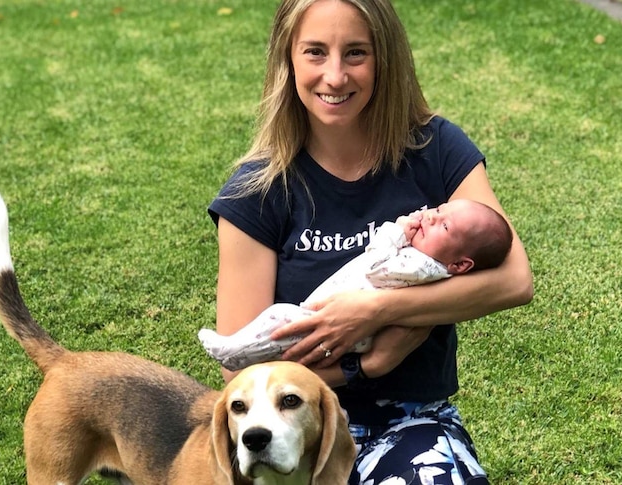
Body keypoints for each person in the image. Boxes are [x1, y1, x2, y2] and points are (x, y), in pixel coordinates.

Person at [207, 0, 533, 482]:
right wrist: (369, 365)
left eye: (356, 53)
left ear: (386, 59)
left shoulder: (435, 149)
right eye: (315, 52)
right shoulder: (255, 192)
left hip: (410, 419)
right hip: (295, 429)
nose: (335, 76)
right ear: (287, 59)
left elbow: (514, 280)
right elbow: (240, 375)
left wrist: (378, 312)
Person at [199, 199, 512, 371]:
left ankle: (236, 350)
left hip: (345, 327)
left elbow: (377, 268)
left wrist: (397, 232)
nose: (429, 218)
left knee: (279, 323)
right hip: (340, 321)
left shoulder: (421, 266)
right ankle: (243, 352)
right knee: (283, 337)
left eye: (444, 225)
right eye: (439, 210)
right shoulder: (425, 261)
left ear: (460, 265)